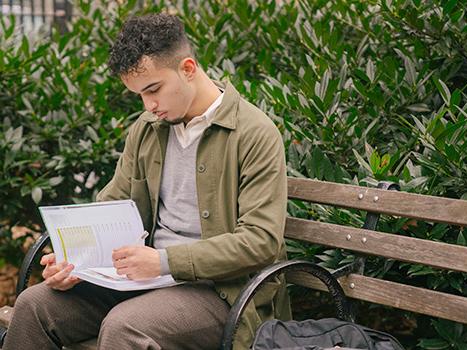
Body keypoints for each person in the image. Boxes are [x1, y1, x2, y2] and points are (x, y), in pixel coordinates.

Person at [2, 13, 290, 350]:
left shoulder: (254, 133)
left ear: (187, 68)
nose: (149, 105)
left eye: (154, 89)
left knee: (125, 327)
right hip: (142, 280)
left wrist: (165, 262)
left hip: (221, 291)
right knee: (35, 306)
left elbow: (261, 241)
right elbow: (115, 201)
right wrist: (75, 260)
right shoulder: (148, 128)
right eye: (139, 95)